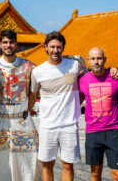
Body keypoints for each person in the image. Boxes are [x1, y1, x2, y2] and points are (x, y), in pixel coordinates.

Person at [30, 31, 88, 181]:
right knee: (47, 164)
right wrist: (24, 114)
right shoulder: (38, 71)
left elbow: (88, 80)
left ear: (63, 48)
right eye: (52, 47)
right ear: (46, 48)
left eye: (59, 47)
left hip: (69, 124)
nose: (55, 50)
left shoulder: (75, 65)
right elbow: (33, 94)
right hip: (48, 125)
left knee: (68, 165)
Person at [0, 29, 41, 181]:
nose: (8, 45)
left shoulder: (29, 66)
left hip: (22, 121)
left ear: (16, 43)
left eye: (11, 42)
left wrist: (24, 111)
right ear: (0, 44)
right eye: (5, 42)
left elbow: (33, 93)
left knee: (27, 160)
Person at [78, 47, 118, 181]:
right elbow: (78, 100)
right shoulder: (83, 81)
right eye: (92, 59)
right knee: (95, 173)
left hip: (113, 131)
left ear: (104, 60)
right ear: (88, 61)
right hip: (93, 132)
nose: (96, 62)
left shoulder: (116, 78)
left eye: (99, 58)